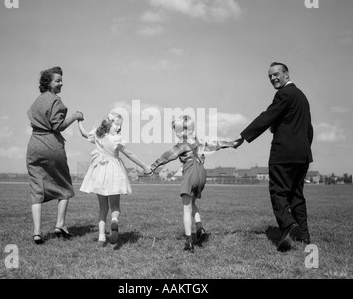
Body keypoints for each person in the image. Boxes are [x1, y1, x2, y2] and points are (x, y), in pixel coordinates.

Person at [232, 62, 313, 252]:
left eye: (276, 74)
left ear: (286, 74)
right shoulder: (302, 97)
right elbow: (308, 128)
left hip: (284, 154)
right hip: (302, 155)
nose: (273, 78)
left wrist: (243, 136)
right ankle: (304, 235)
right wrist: (303, 149)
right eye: (270, 76)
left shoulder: (284, 94)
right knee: (296, 195)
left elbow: (268, 115)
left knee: (278, 191)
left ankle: (289, 226)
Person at [149, 115, 232, 252]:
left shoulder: (183, 144)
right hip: (201, 173)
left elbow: (168, 156)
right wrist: (231, 143)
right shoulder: (200, 142)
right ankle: (200, 228)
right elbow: (216, 144)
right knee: (192, 204)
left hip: (191, 171)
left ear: (183, 130)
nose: (177, 133)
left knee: (186, 209)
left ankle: (188, 242)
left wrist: (153, 166)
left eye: (178, 130)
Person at [26, 66, 84, 245]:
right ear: (49, 84)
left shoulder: (37, 101)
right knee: (64, 186)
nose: (61, 83)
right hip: (51, 145)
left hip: (34, 144)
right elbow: (58, 126)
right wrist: (75, 116)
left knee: (36, 188)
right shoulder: (57, 102)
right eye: (58, 80)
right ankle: (60, 225)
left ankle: (37, 233)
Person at [78, 112, 151, 247]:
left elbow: (84, 133)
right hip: (114, 173)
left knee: (102, 207)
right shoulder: (116, 139)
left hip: (100, 172)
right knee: (115, 206)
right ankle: (114, 220)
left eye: (120, 126)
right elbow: (129, 154)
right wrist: (144, 166)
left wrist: (79, 121)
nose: (119, 128)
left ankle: (101, 238)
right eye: (117, 125)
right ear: (109, 124)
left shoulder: (98, 134)